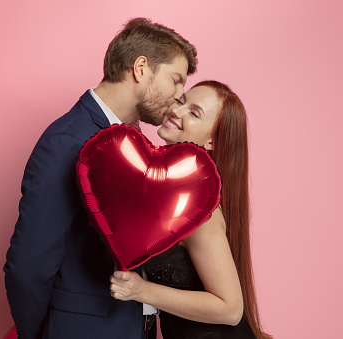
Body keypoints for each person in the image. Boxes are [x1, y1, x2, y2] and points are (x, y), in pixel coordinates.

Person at [3, 18, 197, 339]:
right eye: (176, 80)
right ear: (141, 68)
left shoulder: (134, 140)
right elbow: (28, 267)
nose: (180, 96)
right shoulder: (68, 140)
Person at [110, 81, 272, 339]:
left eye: (194, 113)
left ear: (212, 141)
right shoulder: (174, 191)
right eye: (182, 101)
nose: (177, 111)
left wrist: (141, 291)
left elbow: (230, 309)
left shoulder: (199, 209)